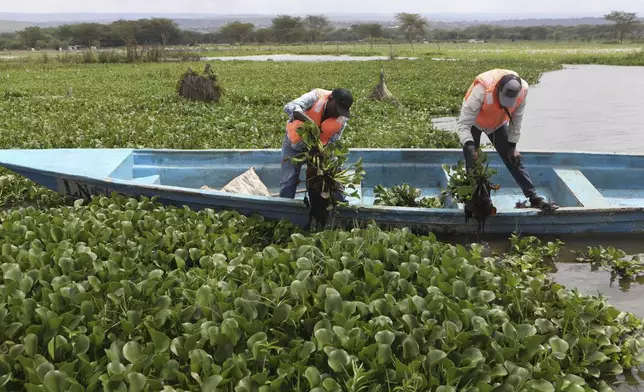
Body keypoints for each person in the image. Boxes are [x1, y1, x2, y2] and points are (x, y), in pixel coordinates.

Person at [457, 69, 559, 211]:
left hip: (497, 123)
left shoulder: (522, 91)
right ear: (498, 89)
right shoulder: (481, 91)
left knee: (513, 158)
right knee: (472, 161)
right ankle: (475, 200)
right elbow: (463, 125)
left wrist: (512, 146)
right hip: (474, 122)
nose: (506, 104)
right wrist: (470, 146)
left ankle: (533, 197)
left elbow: (516, 121)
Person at [279, 88, 353, 199]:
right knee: (288, 181)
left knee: (327, 179)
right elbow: (289, 106)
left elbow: (333, 140)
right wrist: (308, 121)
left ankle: (334, 205)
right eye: (337, 109)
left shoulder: (342, 118)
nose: (338, 113)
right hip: (294, 145)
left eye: (341, 111)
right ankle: (285, 211)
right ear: (331, 99)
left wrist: (322, 153)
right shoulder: (315, 97)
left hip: (318, 151)